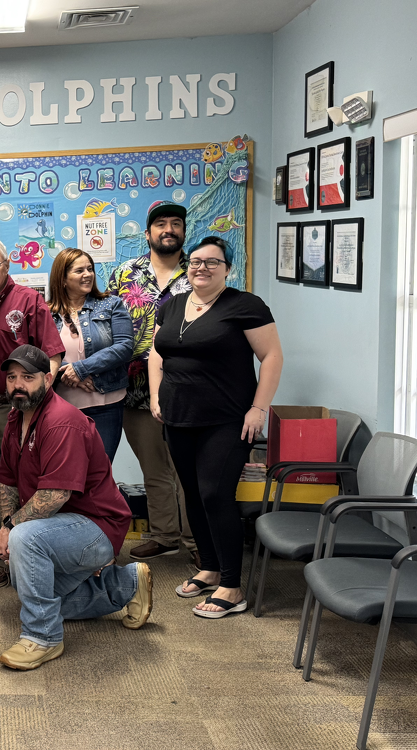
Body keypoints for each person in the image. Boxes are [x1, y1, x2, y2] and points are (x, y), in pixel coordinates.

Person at [0, 345, 152, 671]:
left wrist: (11, 530)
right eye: (11, 377)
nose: (17, 384)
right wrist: (5, 525)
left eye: (27, 377)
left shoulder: (62, 422)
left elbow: (54, 495)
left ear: (48, 379)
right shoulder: (16, 418)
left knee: (25, 542)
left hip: (96, 526)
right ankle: (126, 585)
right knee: (23, 577)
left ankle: (42, 637)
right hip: (59, 526)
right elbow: (7, 482)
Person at [148, 236, 283, 618]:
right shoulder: (173, 305)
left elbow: (272, 356)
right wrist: (157, 397)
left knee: (215, 494)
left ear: (227, 268)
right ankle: (208, 567)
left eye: (212, 261)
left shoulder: (245, 306)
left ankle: (232, 585)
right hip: (178, 416)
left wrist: (259, 408)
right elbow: (157, 353)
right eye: (195, 261)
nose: (201, 267)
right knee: (192, 492)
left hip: (227, 420)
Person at [0, 237, 63, 590]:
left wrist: (41, 400)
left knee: (27, 486)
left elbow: (52, 354)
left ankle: (29, 558)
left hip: (22, 408)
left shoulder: (29, 300)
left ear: (8, 265)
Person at [107, 203, 197, 565]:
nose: (169, 229)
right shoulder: (126, 273)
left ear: (184, 232)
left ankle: (197, 542)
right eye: (161, 224)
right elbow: (108, 321)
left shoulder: (200, 271)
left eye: (176, 224)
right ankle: (164, 535)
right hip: (135, 390)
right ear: (148, 234)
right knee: (154, 468)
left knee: (187, 470)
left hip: (186, 388)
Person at [48, 247, 133, 461]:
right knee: (68, 474)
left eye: (90, 268)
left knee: (99, 475)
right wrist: (70, 374)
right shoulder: (46, 312)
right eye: (79, 271)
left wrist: (82, 369)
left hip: (106, 405)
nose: (87, 274)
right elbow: (39, 354)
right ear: (63, 279)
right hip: (63, 408)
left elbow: (124, 346)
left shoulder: (111, 304)